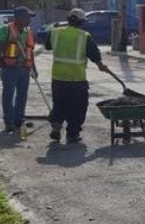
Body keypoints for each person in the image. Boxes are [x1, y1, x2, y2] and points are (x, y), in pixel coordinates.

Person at [44, 8, 108, 144]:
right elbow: (94, 55)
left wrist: (54, 29)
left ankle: (56, 129)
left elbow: (47, 45)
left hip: (58, 78)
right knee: (77, 107)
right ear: (82, 22)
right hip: (76, 79)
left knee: (59, 104)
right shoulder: (84, 36)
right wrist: (101, 65)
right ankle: (72, 134)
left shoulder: (56, 33)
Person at [0, 6, 38, 134]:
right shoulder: (6, 29)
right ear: (18, 17)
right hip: (10, 68)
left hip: (25, 68)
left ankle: (19, 120)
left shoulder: (28, 32)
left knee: (22, 95)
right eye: (27, 17)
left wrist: (34, 68)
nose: (29, 19)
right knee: (8, 95)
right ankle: (9, 122)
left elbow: (30, 50)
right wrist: (10, 42)